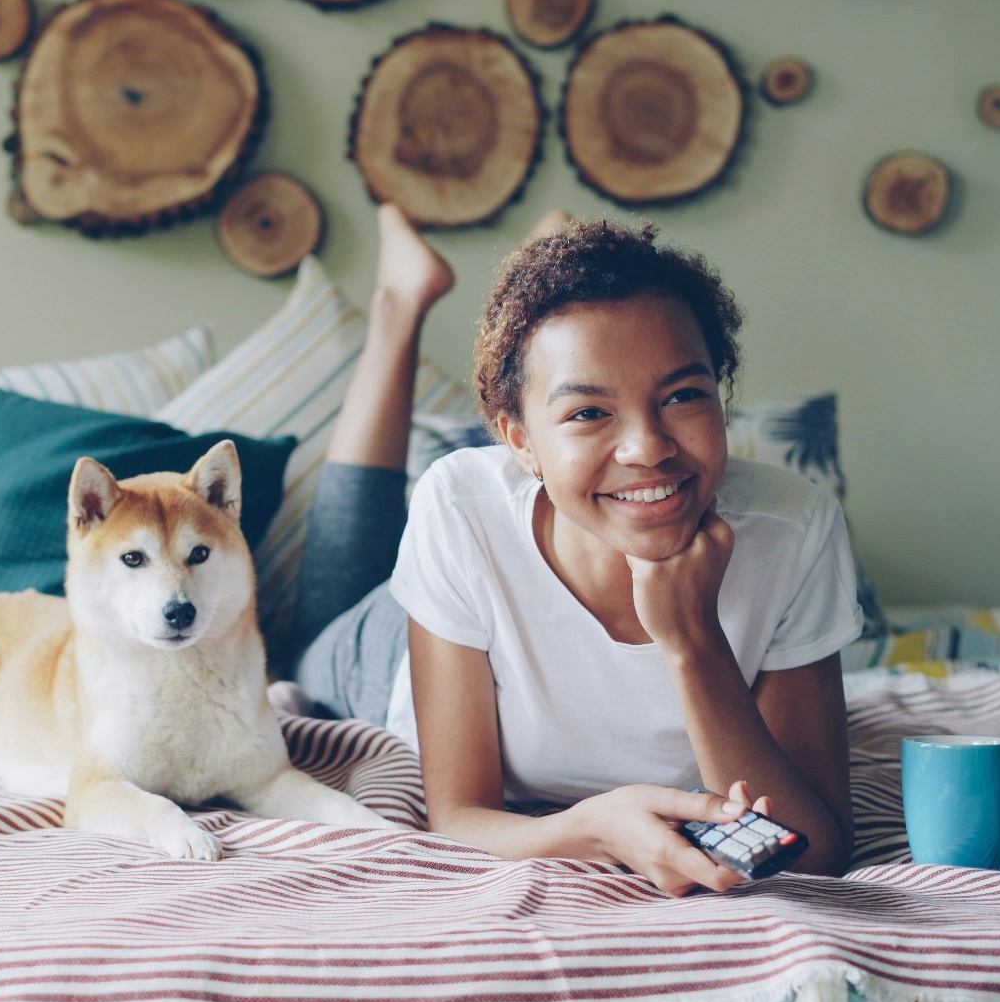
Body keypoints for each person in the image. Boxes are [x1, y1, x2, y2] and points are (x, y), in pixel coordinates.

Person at [283, 204, 860, 896]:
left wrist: (692, 640)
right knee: (320, 613)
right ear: (518, 440)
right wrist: (595, 829)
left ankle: (536, 288)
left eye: (682, 396)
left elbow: (817, 851)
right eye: (588, 411)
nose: (648, 449)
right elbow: (460, 816)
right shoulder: (462, 508)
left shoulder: (796, 530)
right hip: (382, 655)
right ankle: (399, 305)